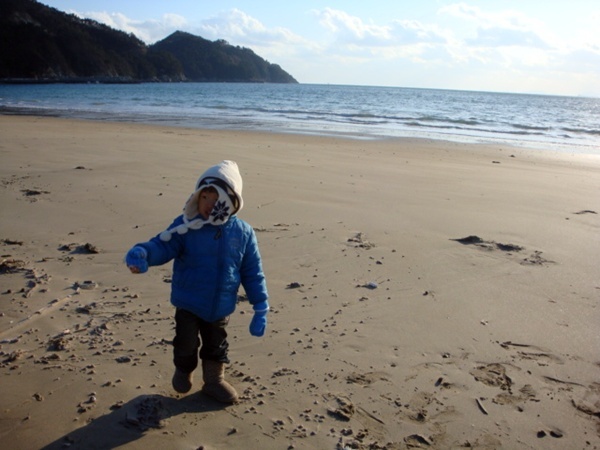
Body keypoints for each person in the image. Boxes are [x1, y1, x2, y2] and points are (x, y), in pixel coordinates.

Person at [125, 160, 269, 403]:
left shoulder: (243, 233)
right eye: (204, 197)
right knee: (185, 343)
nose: (208, 204)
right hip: (189, 301)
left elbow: (252, 271)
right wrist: (145, 253)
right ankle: (184, 370)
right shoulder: (186, 226)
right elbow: (163, 244)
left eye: (216, 198)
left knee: (216, 345)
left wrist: (261, 306)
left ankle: (214, 381)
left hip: (220, 306)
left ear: (230, 202)